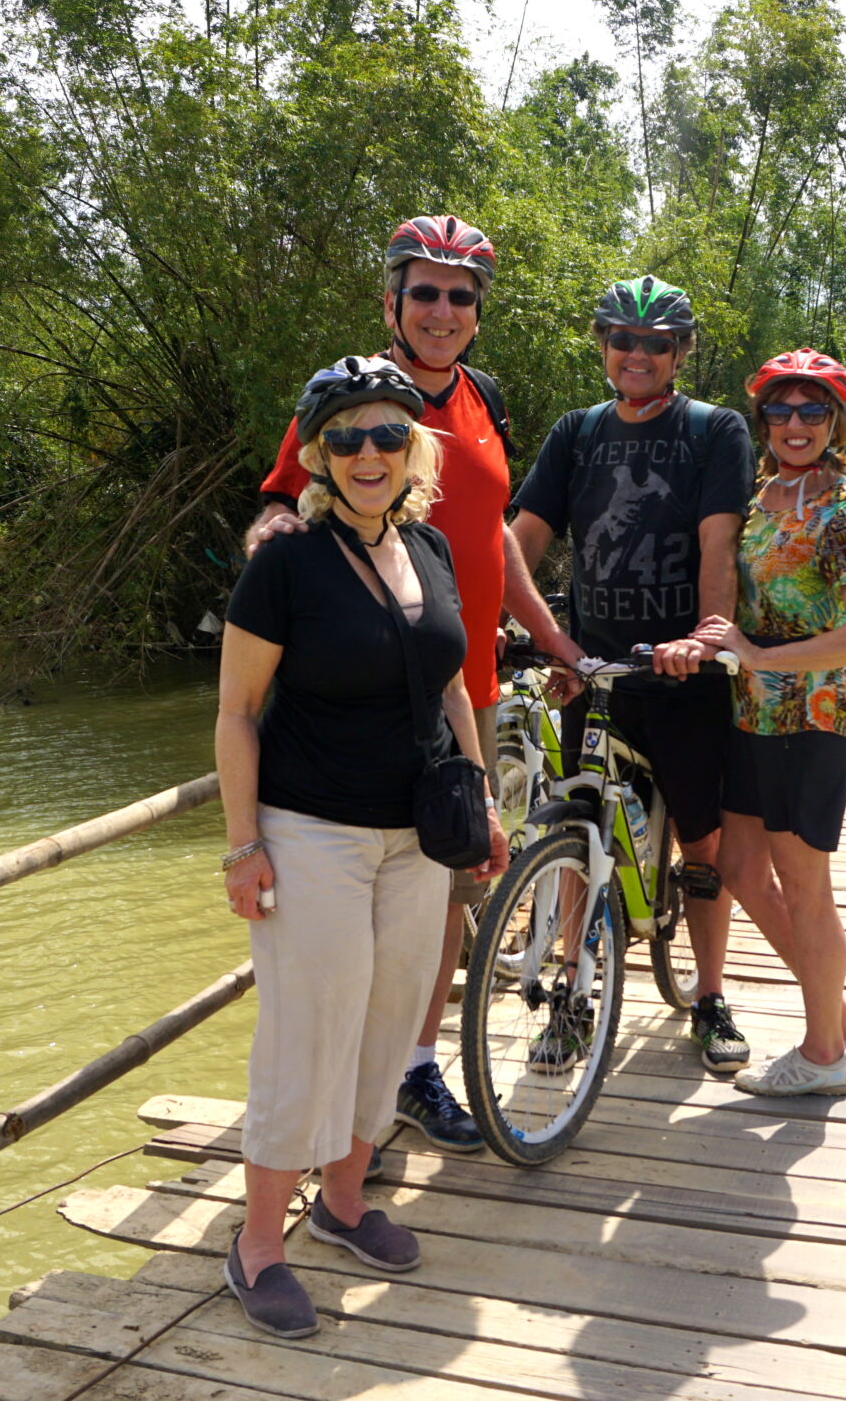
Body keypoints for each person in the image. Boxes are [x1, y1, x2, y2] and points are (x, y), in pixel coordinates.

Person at [243, 216, 580, 1150]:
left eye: (460, 295)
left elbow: (495, 538)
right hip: (355, 693)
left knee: (442, 895)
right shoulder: (353, 398)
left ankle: (412, 1067)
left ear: (477, 312)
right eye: (424, 291)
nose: (442, 309)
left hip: (458, 683)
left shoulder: (487, 401)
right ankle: (326, 1103)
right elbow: (279, 504)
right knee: (344, 901)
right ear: (391, 300)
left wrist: (550, 634)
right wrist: (272, 553)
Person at [216, 355, 510, 1338]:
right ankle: (259, 1242)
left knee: (388, 1025)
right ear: (317, 455)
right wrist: (241, 844)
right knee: (310, 1027)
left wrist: (478, 803)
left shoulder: (425, 548)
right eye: (346, 438)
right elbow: (235, 712)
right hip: (313, 832)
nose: (369, 454)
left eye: (389, 434)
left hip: (416, 836)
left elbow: (449, 687)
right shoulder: (286, 560)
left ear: (415, 447)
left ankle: (343, 1200)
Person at [507, 275, 774, 1074]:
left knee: (702, 838)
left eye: (656, 343)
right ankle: (574, 997)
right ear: (603, 346)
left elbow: (718, 545)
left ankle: (710, 992)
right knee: (574, 821)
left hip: (679, 669)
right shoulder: (576, 433)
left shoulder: (713, 430)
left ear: (680, 353)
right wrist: (518, 626)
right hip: (593, 663)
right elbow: (520, 540)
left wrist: (703, 637)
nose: (637, 354)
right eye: (622, 339)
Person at [694, 349, 846, 1095]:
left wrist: (758, 653)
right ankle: (839, 1020)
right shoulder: (762, 497)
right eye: (781, 409)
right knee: (742, 866)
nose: (795, 423)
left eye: (813, 410)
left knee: (806, 884)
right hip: (752, 713)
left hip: (811, 714)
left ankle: (822, 1057)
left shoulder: (844, 508)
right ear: (763, 420)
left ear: (836, 420)